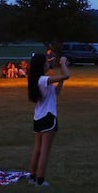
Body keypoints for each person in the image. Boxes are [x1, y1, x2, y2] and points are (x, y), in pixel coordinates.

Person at [27, 51, 70, 186]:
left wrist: (61, 81)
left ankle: (32, 177)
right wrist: (63, 63)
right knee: (44, 150)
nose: (48, 63)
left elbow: (56, 92)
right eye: (46, 62)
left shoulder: (37, 79)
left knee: (37, 149)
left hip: (38, 117)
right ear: (41, 65)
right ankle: (40, 180)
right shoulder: (43, 80)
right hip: (48, 117)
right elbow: (67, 75)